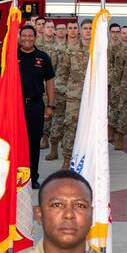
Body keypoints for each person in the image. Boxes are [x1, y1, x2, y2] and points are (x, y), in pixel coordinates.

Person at [16, 24, 55, 188]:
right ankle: (16, 176)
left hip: (36, 106)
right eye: (24, 36)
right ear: (19, 37)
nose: (27, 39)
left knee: (33, 143)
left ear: (35, 38)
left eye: (30, 36)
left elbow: (50, 82)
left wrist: (50, 105)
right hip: (16, 106)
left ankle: (33, 176)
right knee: (16, 143)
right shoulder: (12, 56)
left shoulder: (43, 57)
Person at [47, 19, 86, 163]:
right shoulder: (58, 48)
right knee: (59, 120)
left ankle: (74, 152)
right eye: (70, 28)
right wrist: (60, 89)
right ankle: (54, 148)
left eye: (75, 28)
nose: (73, 30)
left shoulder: (86, 49)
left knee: (74, 124)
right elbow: (55, 71)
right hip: (61, 90)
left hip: (76, 93)